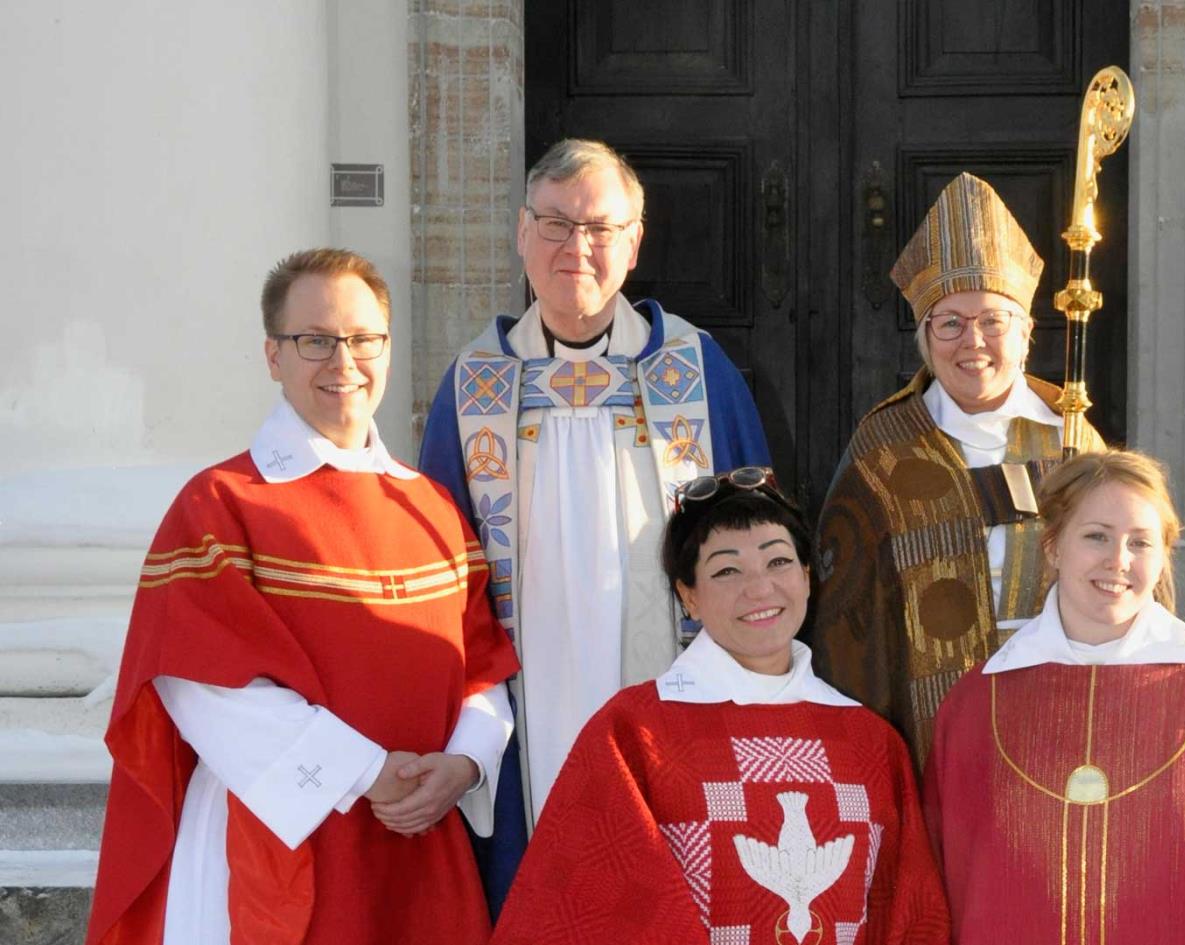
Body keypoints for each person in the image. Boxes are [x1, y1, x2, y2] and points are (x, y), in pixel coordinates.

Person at [85, 249, 521, 945]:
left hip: (419, 834)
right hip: (277, 838)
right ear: (272, 355)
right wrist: (364, 772)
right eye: (314, 340)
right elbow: (198, 683)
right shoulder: (222, 503)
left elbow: (481, 665)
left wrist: (465, 763)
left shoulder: (432, 506)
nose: (343, 362)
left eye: (362, 338)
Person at [417, 138, 772, 908]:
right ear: (521, 233)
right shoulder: (475, 382)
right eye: (554, 223)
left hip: (671, 683)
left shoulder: (697, 370)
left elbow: (760, 549)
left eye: (601, 228)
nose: (576, 247)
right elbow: (438, 569)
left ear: (635, 240)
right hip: (525, 685)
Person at [490, 469, 950, 944]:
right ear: (688, 595)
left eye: (778, 562)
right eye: (727, 570)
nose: (759, 589)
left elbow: (910, 914)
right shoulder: (634, 732)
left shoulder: (869, 743)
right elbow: (582, 908)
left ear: (808, 577)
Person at [922, 449, 1185, 945]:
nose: (1118, 561)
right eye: (1096, 536)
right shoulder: (976, 705)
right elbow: (935, 893)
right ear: (1053, 546)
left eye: (1140, 543)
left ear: (1162, 557)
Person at [810, 172, 1101, 765]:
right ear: (924, 338)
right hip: (929, 739)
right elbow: (846, 616)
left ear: (1025, 335)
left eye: (994, 320)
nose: (973, 342)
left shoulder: (1072, 435)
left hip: (1063, 726)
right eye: (950, 322)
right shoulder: (883, 446)